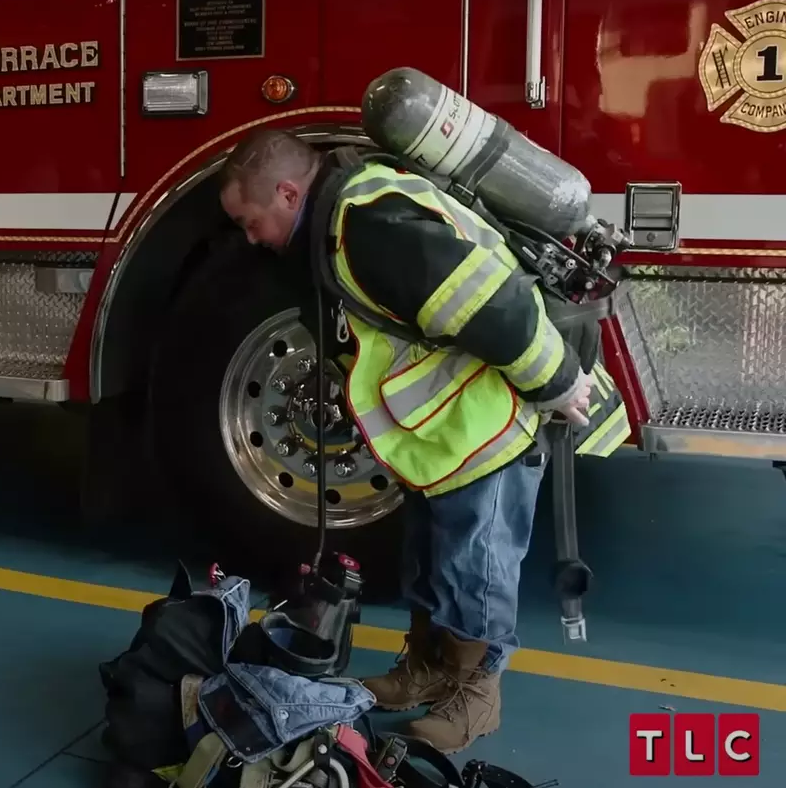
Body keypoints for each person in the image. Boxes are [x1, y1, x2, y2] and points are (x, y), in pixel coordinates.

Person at [216, 128, 627, 753]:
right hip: (442, 438)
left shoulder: (369, 225)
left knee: (477, 567)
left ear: (287, 192)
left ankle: (476, 694)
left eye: (251, 221)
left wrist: (560, 383)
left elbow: (492, 302)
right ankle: (428, 669)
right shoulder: (342, 222)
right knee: (433, 561)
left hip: (483, 430)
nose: (251, 238)